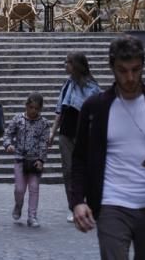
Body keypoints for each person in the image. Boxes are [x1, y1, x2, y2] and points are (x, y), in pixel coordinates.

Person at [72, 36, 145, 260]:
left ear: (142, 65)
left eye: (136, 69)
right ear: (112, 68)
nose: (130, 77)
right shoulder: (95, 108)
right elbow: (79, 159)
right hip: (111, 205)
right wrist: (77, 201)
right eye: (123, 70)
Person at [49, 52, 100, 223]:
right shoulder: (67, 85)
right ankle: (74, 205)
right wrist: (52, 132)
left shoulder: (92, 87)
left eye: (68, 62)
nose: (65, 65)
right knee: (68, 170)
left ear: (76, 65)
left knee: (85, 168)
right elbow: (60, 111)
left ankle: (89, 203)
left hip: (84, 133)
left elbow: (95, 111)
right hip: (66, 132)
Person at [3, 92, 50, 228]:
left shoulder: (44, 123)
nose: (33, 111)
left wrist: (41, 159)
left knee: (34, 188)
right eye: (31, 107)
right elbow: (8, 134)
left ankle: (32, 216)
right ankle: (18, 205)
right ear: (26, 106)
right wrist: (8, 144)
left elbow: (43, 143)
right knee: (19, 189)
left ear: (40, 109)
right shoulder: (18, 119)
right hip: (20, 159)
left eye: (37, 109)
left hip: (35, 160)